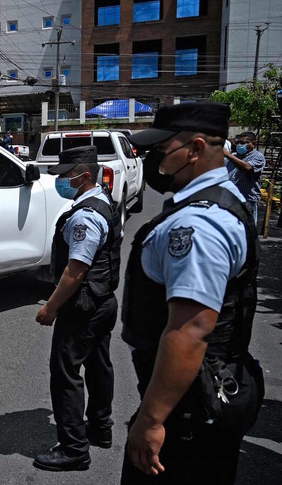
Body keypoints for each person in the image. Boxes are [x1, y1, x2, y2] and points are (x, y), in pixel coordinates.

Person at [122, 102, 264, 484]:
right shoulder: (221, 202)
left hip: (187, 410)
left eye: (161, 151)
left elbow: (190, 331)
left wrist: (151, 420)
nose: (154, 161)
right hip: (201, 395)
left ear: (196, 149)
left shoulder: (197, 226)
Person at [34, 145, 123, 472]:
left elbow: (75, 271)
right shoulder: (106, 203)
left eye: (66, 176)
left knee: (65, 372)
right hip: (103, 301)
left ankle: (73, 449)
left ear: (85, 175)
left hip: (82, 305)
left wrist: (51, 308)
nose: (61, 181)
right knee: (99, 364)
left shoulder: (85, 216)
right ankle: (100, 429)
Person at [223, 131, 266, 225]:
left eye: (243, 143)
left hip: (247, 200)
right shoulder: (233, 157)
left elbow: (248, 168)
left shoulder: (257, 156)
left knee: (248, 230)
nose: (239, 145)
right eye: (238, 142)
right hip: (230, 199)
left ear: (253, 144)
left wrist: (228, 155)